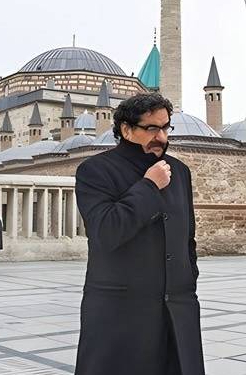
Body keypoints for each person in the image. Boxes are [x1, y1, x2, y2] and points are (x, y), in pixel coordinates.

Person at [74, 93, 205, 375]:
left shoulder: (179, 171)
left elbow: (187, 238)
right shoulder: (95, 171)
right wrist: (149, 186)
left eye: (166, 127)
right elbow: (106, 231)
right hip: (121, 313)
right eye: (152, 128)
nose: (162, 137)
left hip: (177, 310)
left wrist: (187, 280)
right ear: (126, 129)